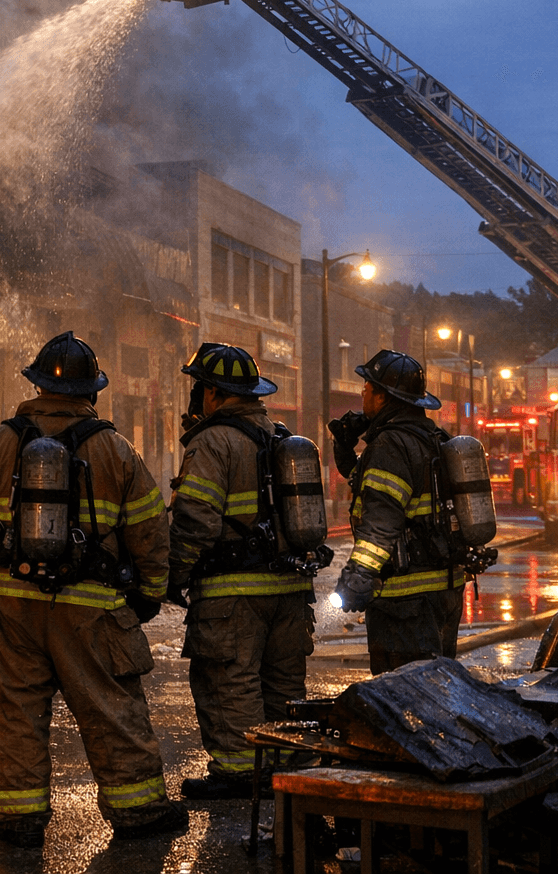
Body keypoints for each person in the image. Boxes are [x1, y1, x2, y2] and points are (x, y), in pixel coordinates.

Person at [0, 331, 187, 850]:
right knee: (111, 710)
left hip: (8, 606)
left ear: (36, 386)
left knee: (12, 714)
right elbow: (150, 533)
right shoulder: (116, 450)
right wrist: (149, 593)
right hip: (91, 610)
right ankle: (138, 812)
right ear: (91, 392)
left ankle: (18, 821)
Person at [168, 342, 316, 799]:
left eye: (200, 388)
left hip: (231, 595)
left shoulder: (213, 441)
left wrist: (172, 574)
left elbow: (195, 519)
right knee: (283, 683)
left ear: (213, 393)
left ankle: (239, 774)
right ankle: (286, 765)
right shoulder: (280, 437)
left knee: (230, 681)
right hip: (291, 590)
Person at [330, 349, 463, 675]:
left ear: (382, 396)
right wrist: (346, 452)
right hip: (445, 591)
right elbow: (382, 491)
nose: (362, 394)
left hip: (405, 602)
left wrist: (357, 577)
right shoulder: (432, 437)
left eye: (366, 388)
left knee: (403, 694)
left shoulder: (390, 444)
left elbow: (381, 521)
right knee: (438, 686)